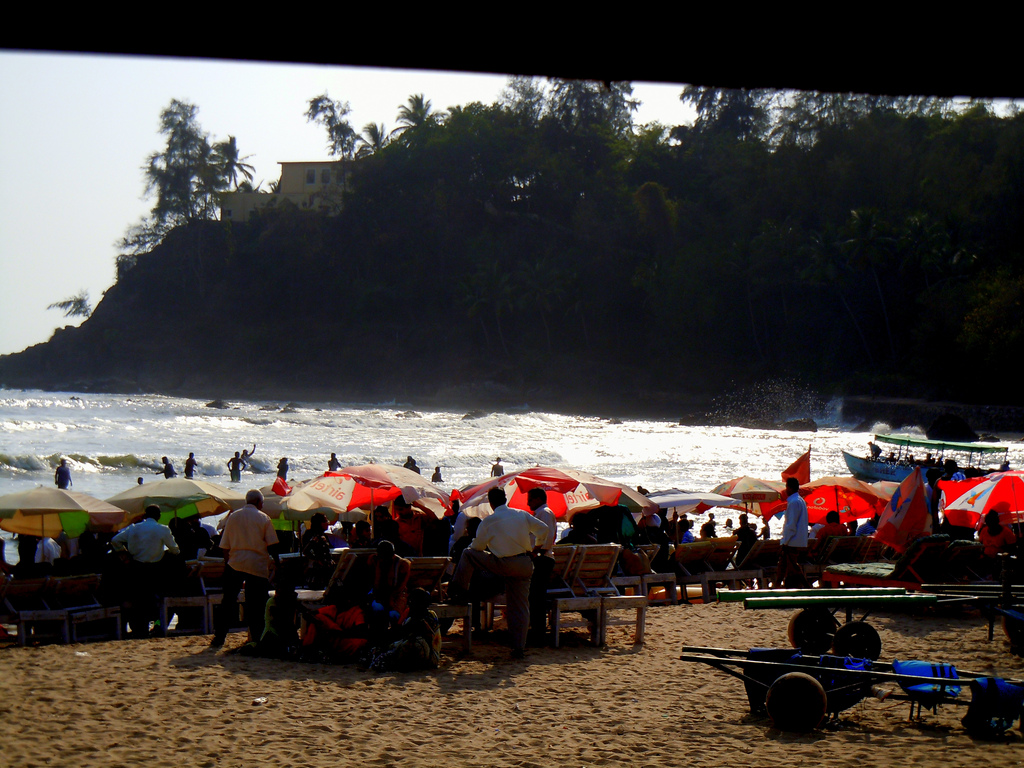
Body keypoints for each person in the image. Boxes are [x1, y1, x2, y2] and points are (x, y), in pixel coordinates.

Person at [447, 487, 549, 658]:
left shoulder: (489, 521)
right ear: (506, 499)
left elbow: (477, 547)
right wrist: (536, 548)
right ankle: (518, 648)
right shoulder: (521, 514)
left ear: (491, 502)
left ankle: (458, 591)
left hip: (503, 563)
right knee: (520, 606)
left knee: (468, 553)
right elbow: (544, 529)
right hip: (524, 563)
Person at [211, 489, 280, 648]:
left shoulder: (233, 517)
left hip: (235, 563)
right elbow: (272, 545)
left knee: (227, 601)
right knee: (256, 603)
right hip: (256, 564)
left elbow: (225, 546)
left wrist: (228, 563)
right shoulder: (264, 518)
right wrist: (277, 563)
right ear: (258, 502)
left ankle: (219, 637)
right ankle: (256, 636)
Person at [111, 504, 180, 637]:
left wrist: (124, 554)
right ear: (159, 516)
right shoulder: (163, 529)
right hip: (155, 570)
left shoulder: (133, 528)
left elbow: (115, 541)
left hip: (135, 568)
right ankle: (157, 625)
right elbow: (175, 550)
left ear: (144, 515)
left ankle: (139, 628)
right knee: (155, 600)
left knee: (138, 600)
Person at [369, 587, 442, 672]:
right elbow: (398, 631)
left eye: (412, 601)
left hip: (429, 658)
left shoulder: (426, 618)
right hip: (426, 655)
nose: (409, 604)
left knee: (411, 643)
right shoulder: (414, 615)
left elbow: (404, 634)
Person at [525, 488, 557, 643]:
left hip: (541, 558)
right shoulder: (544, 513)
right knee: (536, 596)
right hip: (543, 557)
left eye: (530, 499)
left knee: (536, 596)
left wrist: (533, 552)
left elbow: (542, 538)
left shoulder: (543, 513)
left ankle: (538, 632)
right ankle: (538, 630)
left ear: (538, 499)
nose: (528, 503)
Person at [777, 477, 809, 588]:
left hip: (792, 541)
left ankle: (805, 586)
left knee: (791, 567)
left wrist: (785, 541)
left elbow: (791, 525)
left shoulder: (794, 502)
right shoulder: (800, 500)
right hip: (798, 540)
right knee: (786, 566)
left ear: (789, 488)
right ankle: (780, 586)